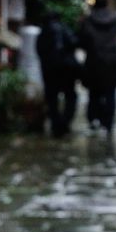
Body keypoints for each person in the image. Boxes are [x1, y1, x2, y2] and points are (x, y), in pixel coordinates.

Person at [77, 0, 116, 134]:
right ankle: (108, 123)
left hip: (94, 62)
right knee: (111, 94)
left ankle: (93, 119)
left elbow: (82, 42)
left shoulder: (88, 20)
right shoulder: (114, 18)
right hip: (112, 62)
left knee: (93, 93)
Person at [36, 10, 79, 138]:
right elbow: (74, 43)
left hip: (49, 71)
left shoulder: (43, 33)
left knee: (52, 98)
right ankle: (65, 121)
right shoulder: (64, 29)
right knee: (70, 96)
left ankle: (56, 124)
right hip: (66, 70)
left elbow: (39, 52)